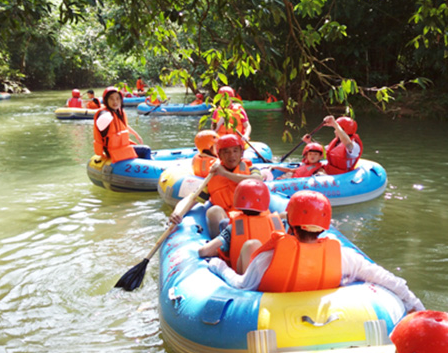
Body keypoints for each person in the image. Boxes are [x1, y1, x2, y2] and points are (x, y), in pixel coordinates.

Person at [207, 190, 424, 313]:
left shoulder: (267, 259)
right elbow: (389, 280)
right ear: (324, 225)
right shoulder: (344, 257)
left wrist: (218, 267)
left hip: (272, 321)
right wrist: (416, 307)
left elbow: (241, 286)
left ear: (289, 222)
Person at [169, 133, 262, 237]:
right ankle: (223, 246)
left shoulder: (251, 169)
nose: (231, 155)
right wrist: (177, 212)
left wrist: (225, 174)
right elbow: (192, 198)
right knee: (214, 211)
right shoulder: (212, 178)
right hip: (227, 222)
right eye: (226, 152)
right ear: (220, 155)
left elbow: (258, 181)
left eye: (235, 151)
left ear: (241, 153)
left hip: (250, 218)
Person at [198, 179, 285, 274]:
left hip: (244, 278)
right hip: (272, 275)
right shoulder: (278, 224)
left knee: (224, 225)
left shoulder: (233, 229)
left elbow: (203, 252)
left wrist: (217, 252)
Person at [93, 86, 151, 163]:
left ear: (121, 100)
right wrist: (105, 117)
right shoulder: (105, 114)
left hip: (120, 147)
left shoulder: (118, 112)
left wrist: (136, 135)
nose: (115, 102)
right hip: (113, 151)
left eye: (117, 98)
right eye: (111, 98)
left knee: (139, 148)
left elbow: (124, 126)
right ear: (106, 100)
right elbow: (101, 123)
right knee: (146, 150)